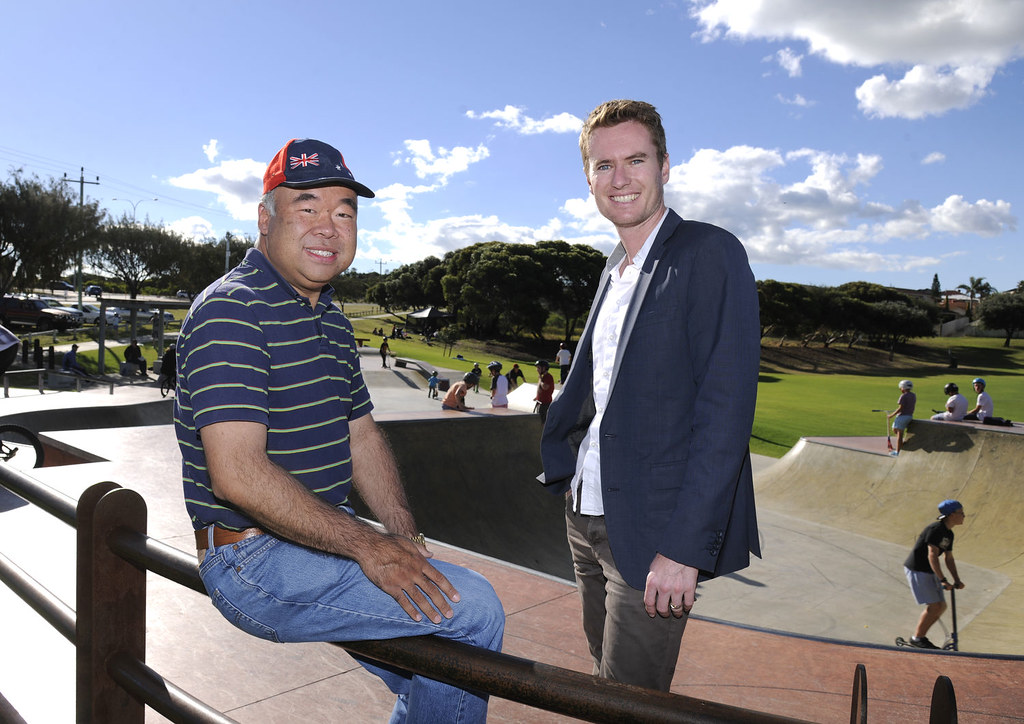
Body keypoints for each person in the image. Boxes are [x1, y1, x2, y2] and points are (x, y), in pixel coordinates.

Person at [174, 138, 503, 722]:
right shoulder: (232, 309)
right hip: (252, 560)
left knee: (436, 678)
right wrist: (370, 547)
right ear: (265, 219)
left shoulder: (328, 316)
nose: (329, 226)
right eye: (308, 206)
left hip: (316, 539)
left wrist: (405, 536)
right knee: (471, 612)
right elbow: (236, 474)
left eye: (344, 211)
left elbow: (363, 438)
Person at [539, 100, 761, 691]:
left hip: (652, 533)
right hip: (585, 514)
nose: (620, 178)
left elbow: (726, 412)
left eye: (635, 159)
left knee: (629, 704)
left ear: (665, 165)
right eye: (603, 165)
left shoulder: (708, 252)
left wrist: (685, 548)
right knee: (601, 688)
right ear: (588, 177)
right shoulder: (614, 267)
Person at [902, 499, 966, 649]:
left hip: (929, 570)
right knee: (934, 606)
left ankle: (920, 637)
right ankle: (917, 638)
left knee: (941, 606)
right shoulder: (935, 529)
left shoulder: (949, 533)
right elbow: (932, 554)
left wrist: (957, 579)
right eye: (961, 513)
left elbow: (948, 558)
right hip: (917, 569)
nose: (964, 515)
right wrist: (943, 579)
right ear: (951, 515)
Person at [887, 380, 916, 456]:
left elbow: (901, 408)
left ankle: (898, 451)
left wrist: (891, 415)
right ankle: (901, 444)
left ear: (903, 388)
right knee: (894, 429)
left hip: (902, 416)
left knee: (899, 435)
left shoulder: (903, 396)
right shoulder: (913, 395)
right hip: (909, 416)